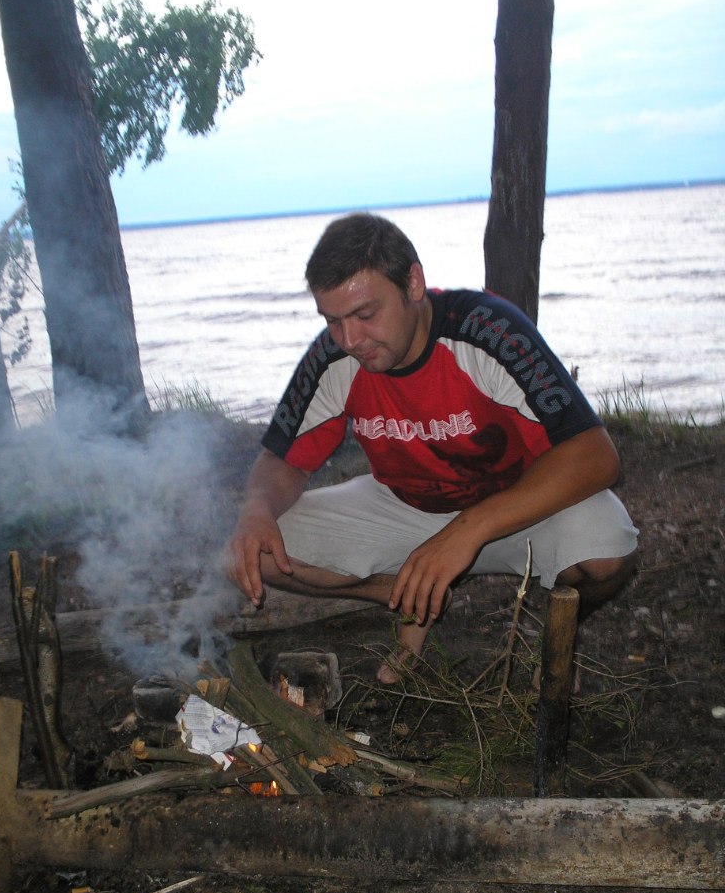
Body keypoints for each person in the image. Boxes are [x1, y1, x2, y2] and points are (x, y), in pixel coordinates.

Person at [225, 213, 638, 683]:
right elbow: (282, 460)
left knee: (607, 552)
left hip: (518, 507)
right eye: (333, 321)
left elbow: (595, 454)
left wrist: (467, 530)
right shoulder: (334, 356)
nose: (350, 340)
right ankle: (407, 598)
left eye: (365, 315)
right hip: (405, 507)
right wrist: (256, 507)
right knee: (252, 552)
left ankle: (560, 625)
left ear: (414, 283)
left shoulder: (486, 332)